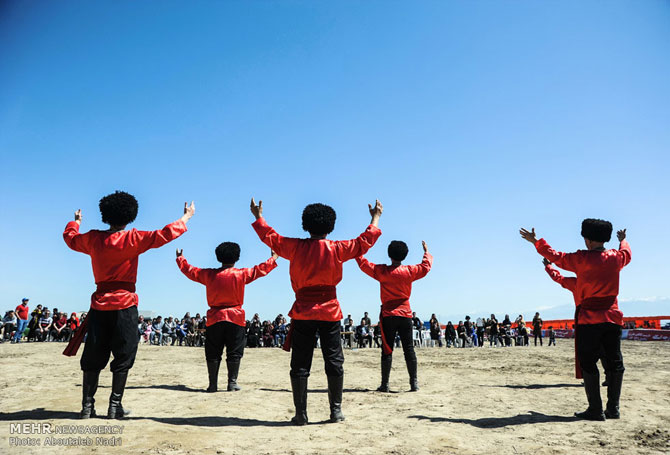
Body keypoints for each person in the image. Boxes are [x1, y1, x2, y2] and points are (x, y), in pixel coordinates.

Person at [63, 191, 194, 419]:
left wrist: (75, 221)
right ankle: (115, 407)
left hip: (100, 304)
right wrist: (185, 218)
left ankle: (87, 406)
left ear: (105, 214)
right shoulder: (133, 238)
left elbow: (70, 238)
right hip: (125, 304)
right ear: (130, 215)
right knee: (124, 355)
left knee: (93, 355)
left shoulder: (93, 239)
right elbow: (163, 235)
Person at [250, 197, 382, 425]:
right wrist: (375, 217)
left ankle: (301, 414)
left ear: (305, 224)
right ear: (331, 226)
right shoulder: (338, 249)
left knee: (300, 363)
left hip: (302, 310)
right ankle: (336, 411)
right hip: (330, 310)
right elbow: (365, 241)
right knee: (334, 360)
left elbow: (270, 237)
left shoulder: (294, 247)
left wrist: (258, 216)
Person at [521, 220, 631, 420]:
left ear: (587, 240)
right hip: (613, 318)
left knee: (588, 362)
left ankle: (595, 410)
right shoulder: (617, 258)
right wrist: (623, 241)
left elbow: (556, 257)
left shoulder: (581, 259)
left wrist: (536, 242)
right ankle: (613, 408)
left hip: (589, 319)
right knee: (615, 363)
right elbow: (626, 253)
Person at [176, 244, 277, 392]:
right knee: (234, 351)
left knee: (213, 352)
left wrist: (180, 258)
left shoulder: (209, 274)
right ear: (237, 258)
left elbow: (190, 271)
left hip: (214, 318)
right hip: (235, 317)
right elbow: (260, 270)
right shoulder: (241, 274)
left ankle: (212, 384)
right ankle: (232, 382)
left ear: (218, 257)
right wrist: (274, 257)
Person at [357, 240, 432, 391]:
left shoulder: (382, 271)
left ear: (389, 254)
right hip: (405, 314)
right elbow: (425, 267)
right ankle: (414, 383)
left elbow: (364, 264)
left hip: (388, 314)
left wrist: (359, 251)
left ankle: (385, 384)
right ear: (405, 255)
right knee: (409, 349)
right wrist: (426, 252)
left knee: (387, 349)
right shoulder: (409, 271)